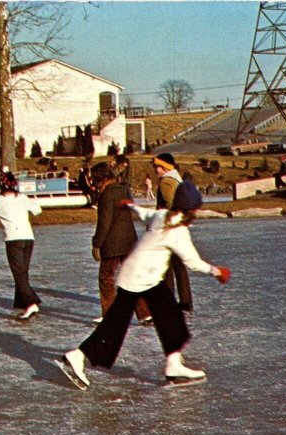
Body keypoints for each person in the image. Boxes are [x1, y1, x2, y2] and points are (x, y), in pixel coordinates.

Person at [56, 180, 231, 390]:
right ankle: (77, 356)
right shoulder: (177, 231)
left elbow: (144, 213)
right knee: (115, 326)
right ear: (192, 209)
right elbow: (193, 263)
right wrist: (217, 271)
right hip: (139, 279)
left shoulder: (161, 216)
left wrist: (130, 206)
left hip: (142, 277)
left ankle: (174, 365)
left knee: (170, 317)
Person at [0, 171, 43, 320]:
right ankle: (20, 306)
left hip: (14, 239)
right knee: (22, 273)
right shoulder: (22, 197)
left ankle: (32, 303)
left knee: (18, 274)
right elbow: (38, 211)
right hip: (28, 238)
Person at [90, 168, 152, 326]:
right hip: (129, 241)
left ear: (101, 180)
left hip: (112, 244)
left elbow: (104, 223)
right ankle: (145, 314)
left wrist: (97, 244)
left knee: (106, 277)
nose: (94, 185)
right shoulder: (123, 191)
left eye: (95, 180)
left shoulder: (106, 195)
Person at [154, 153, 194, 314]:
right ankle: (185, 303)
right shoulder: (177, 179)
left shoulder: (166, 182)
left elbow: (172, 205)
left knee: (166, 267)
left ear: (165, 167)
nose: (155, 169)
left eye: (157, 166)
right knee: (178, 266)